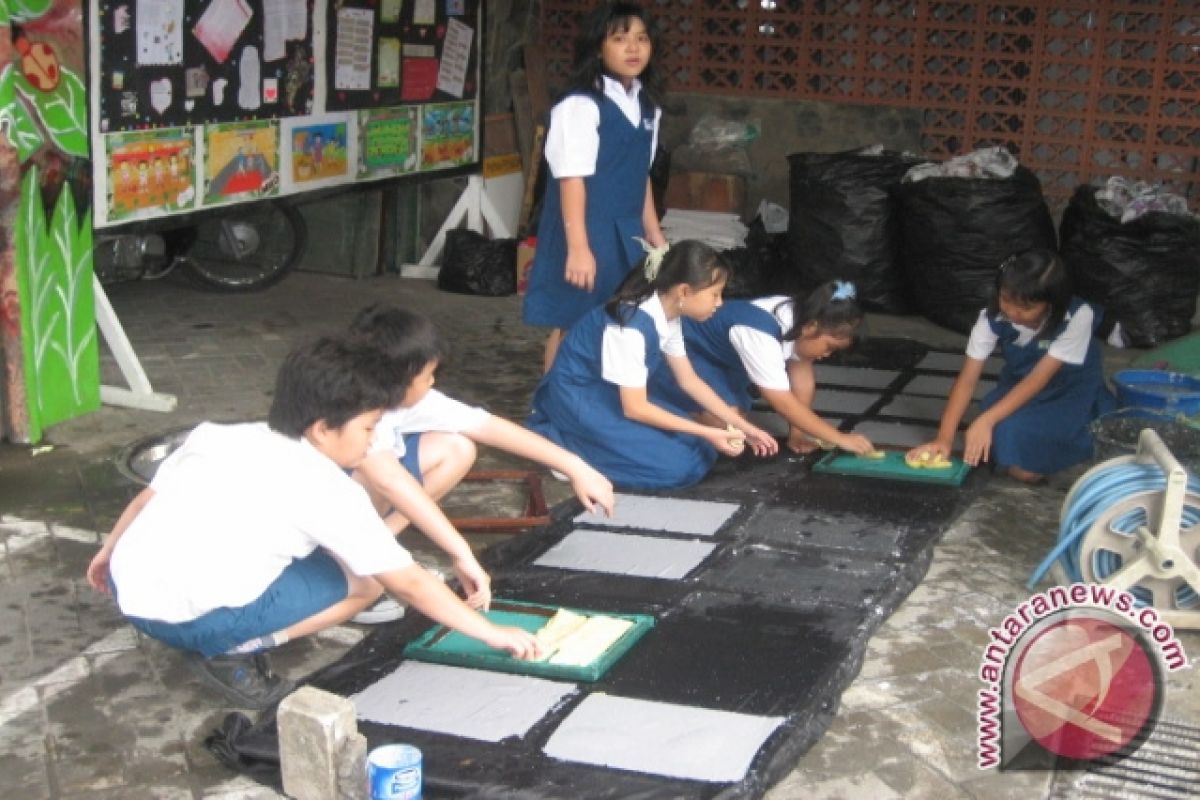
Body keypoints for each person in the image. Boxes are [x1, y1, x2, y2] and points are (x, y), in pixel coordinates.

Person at [85, 336, 540, 709]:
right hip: (191, 622)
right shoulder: (327, 488)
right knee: (368, 584)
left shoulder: (218, 435)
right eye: (367, 429)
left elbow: (146, 500)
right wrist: (493, 634)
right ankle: (233, 649)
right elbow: (410, 584)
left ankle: (222, 624)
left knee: (318, 554)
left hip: (130, 595)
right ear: (323, 428)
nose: (371, 442)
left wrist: (108, 553)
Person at [345, 305, 616, 623]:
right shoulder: (353, 410)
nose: (432, 383)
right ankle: (350, 565)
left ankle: (379, 544)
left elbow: (483, 425)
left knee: (457, 447)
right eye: (427, 375)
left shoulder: (391, 393)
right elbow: (390, 482)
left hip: (364, 484)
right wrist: (461, 554)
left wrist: (575, 466)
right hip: (325, 503)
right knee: (379, 482)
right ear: (397, 378)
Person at [527, 240, 778, 490]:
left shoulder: (668, 314)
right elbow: (635, 409)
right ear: (684, 292)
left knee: (700, 449)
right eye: (714, 294)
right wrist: (711, 433)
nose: (719, 303)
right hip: (580, 397)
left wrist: (743, 427)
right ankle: (562, 447)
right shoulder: (629, 326)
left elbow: (689, 381)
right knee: (678, 467)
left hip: (614, 392)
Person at [522, 1, 668, 372]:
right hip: (585, 229)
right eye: (620, 39)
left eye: (641, 39)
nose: (633, 48)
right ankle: (552, 407)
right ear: (597, 47)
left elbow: (641, 175)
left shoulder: (649, 107)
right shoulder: (580, 105)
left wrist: (654, 233)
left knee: (618, 319)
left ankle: (590, 404)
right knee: (574, 323)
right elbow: (571, 178)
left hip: (627, 231)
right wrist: (579, 249)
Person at [908, 248, 1117, 483]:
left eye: (1026, 308)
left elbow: (1038, 379)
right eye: (1005, 299)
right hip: (1018, 387)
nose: (1012, 312)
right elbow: (967, 381)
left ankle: (1072, 442)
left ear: (1052, 304)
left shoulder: (1078, 316)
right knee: (999, 430)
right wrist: (943, 439)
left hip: (1071, 392)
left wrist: (986, 420)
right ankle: (1022, 455)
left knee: (1004, 432)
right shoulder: (990, 318)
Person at [652, 281, 876, 456]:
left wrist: (797, 435)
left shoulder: (803, 316)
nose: (827, 355)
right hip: (682, 353)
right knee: (727, 428)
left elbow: (802, 379)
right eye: (830, 347)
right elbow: (783, 403)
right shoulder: (760, 331)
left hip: (720, 363)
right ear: (811, 328)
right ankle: (656, 400)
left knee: (733, 421)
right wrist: (839, 437)